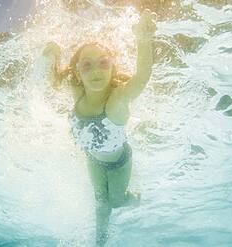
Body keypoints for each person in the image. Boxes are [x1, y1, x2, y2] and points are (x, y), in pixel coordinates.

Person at [42, 9, 156, 246]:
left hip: (118, 162)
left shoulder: (116, 102)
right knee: (100, 205)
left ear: (113, 68)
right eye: (87, 66)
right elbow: (55, 80)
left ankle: (136, 199)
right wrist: (53, 56)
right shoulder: (78, 93)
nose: (95, 71)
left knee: (115, 201)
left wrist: (143, 39)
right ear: (79, 73)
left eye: (103, 63)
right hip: (93, 160)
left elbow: (142, 76)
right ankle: (99, 243)